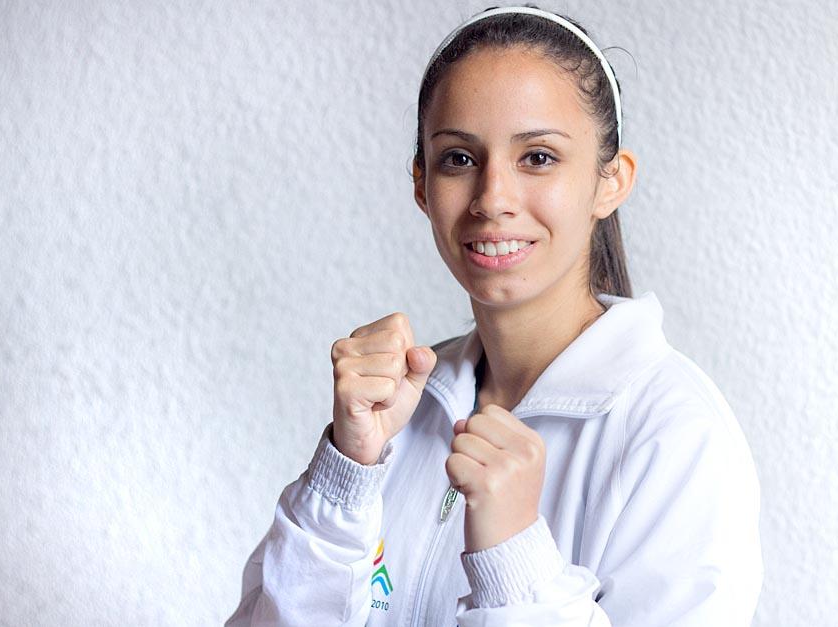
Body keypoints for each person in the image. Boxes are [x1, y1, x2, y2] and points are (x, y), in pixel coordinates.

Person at [225, 5, 763, 626]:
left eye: (538, 157)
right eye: (459, 158)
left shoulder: (676, 435)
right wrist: (345, 475)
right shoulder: (399, 408)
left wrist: (514, 558)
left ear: (610, 182)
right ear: (422, 186)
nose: (493, 199)